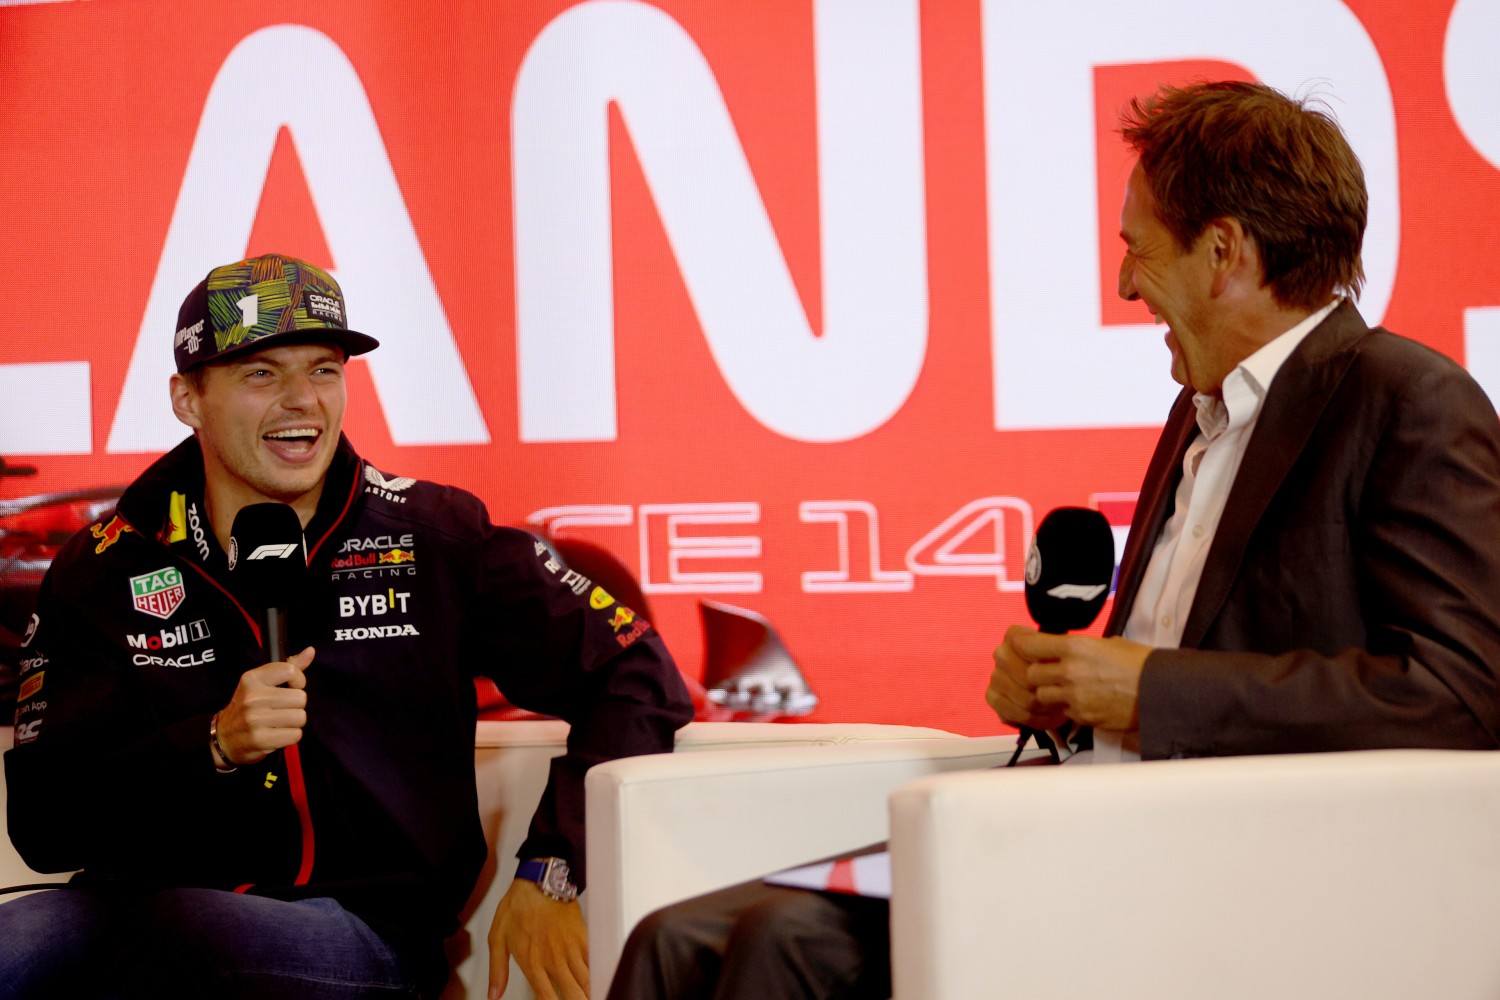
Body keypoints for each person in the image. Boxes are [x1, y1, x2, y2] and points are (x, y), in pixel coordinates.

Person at [605, 80, 1500, 1000]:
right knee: (672, 945)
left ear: (1223, 251)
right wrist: (1069, 694)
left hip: (1240, 856)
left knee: (781, 946)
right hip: (1092, 819)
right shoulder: (1199, 417)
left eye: (1136, 248)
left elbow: (1460, 696)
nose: (1122, 283)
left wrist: (1145, 690)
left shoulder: (1407, 401)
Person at [0, 253, 694, 1000]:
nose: (302, 401)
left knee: (185, 936)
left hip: (359, 932)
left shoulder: (433, 536)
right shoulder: (106, 566)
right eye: (261, 374)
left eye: (325, 370)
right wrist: (211, 746)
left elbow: (634, 672)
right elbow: (46, 828)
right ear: (188, 399)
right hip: (128, 908)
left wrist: (552, 867)